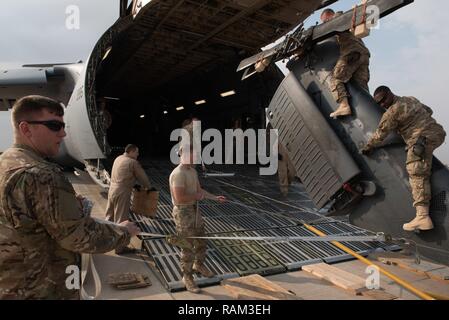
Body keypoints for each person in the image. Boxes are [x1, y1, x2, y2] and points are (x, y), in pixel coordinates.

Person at [0, 95, 140, 299]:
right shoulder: (42, 175)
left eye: (63, 126)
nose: (63, 133)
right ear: (26, 129)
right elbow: (78, 238)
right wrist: (123, 232)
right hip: (41, 289)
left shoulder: (7, 162)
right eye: (54, 126)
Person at [362, 86, 446, 231]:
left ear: (390, 93)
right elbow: (428, 110)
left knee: (416, 169)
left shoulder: (392, 112)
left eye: (383, 100)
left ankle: (422, 217)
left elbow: (380, 134)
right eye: (379, 104)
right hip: (437, 132)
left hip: (422, 139)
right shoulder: (410, 99)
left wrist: (367, 147)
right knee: (423, 160)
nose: (382, 105)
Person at [169, 144, 226, 293]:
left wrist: (214, 197)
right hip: (183, 212)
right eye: (193, 155)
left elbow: (199, 191)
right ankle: (187, 277)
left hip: (195, 210)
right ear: (183, 155)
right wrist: (196, 196)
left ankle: (198, 265)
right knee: (187, 245)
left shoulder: (192, 171)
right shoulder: (178, 174)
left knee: (201, 240)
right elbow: (179, 198)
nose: (195, 158)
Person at [320, 8, 371, 119]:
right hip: (364, 54)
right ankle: (368, 114)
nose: (324, 24)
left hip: (352, 52)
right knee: (361, 89)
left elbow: (338, 16)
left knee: (335, 77)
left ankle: (344, 105)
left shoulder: (337, 18)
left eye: (324, 21)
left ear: (328, 16)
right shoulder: (345, 25)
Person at [105, 144, 152, 254]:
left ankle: (105, 240)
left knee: (109, 217)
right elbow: (142, 177)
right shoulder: (133, 162)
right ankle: (120, 248)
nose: (138, 154)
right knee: (122, 220)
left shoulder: (118, 158)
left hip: (112, 190)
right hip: (122, 192)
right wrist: (148, 187)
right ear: (131, 152)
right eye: (137, 152)